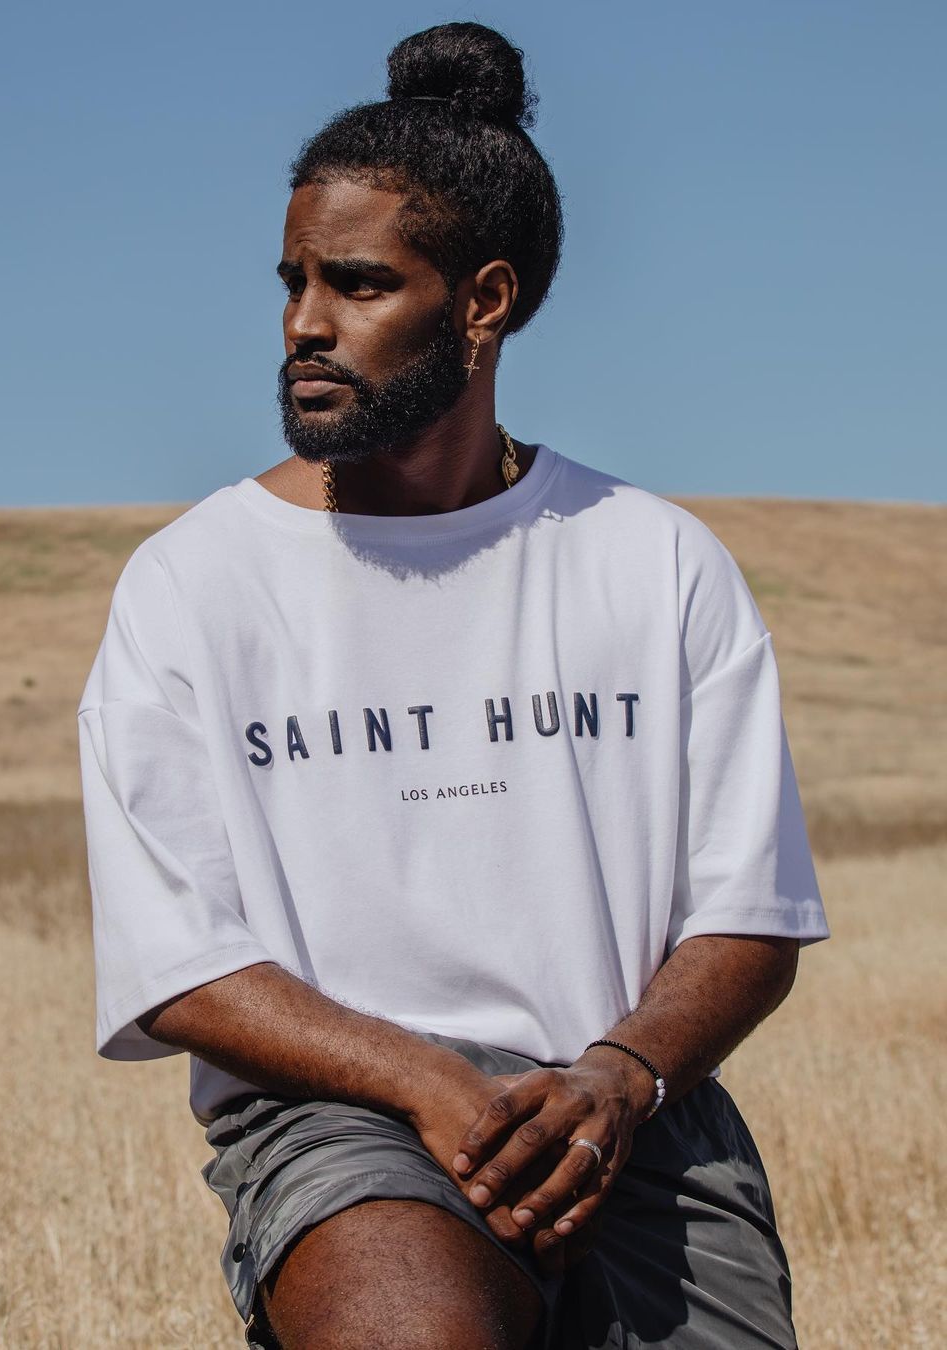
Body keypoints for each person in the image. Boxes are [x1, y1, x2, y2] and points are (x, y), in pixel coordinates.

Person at [77, 21, 830, 1350]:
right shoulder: (194, 583)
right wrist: (422, 1077)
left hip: (633, 1116)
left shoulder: (653, 561)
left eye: (359, 283)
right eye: (294, 281)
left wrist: (620, 1074)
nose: (306, 323)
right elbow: (178, 965)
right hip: (344, 1115)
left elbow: (748, 917)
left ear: (485, 301)